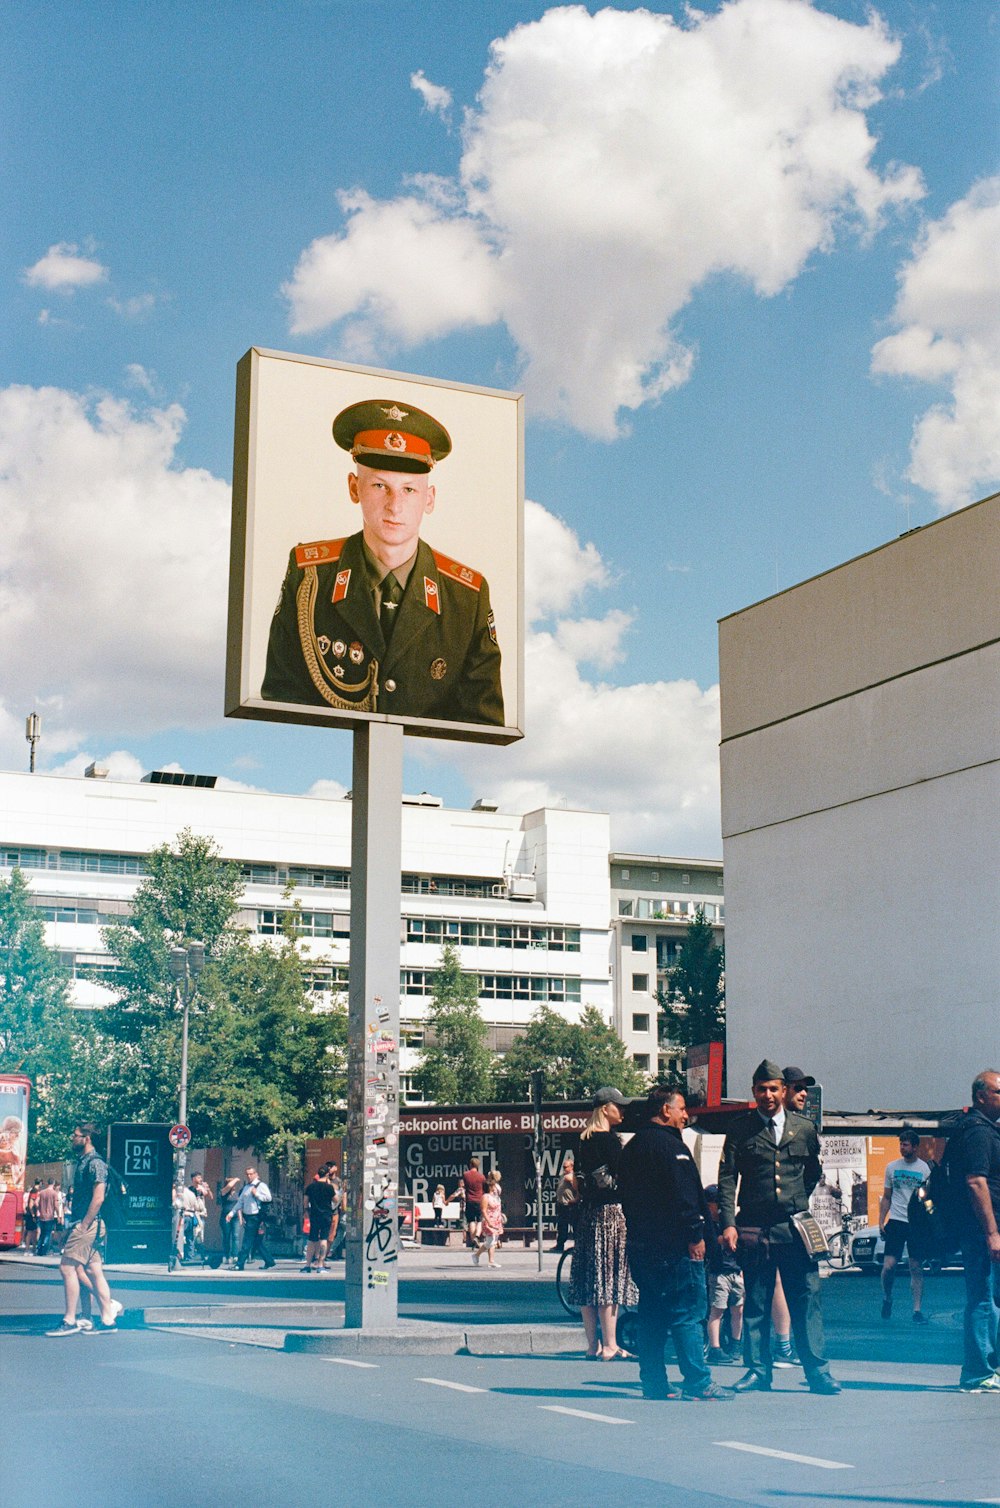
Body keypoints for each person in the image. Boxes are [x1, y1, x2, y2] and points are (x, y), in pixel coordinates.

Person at [262, 398, 504, 726]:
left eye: (409, 490)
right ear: (354, 488)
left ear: (429, 499)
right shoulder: (310, 577)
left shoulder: (467, 597)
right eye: (380, 486)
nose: (395, 506)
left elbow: (482, 730)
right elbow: (281, 705)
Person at [718, 1059, 841, 1395]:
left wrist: (794, 1199)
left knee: (807, 1298)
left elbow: (812, 1171)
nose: (768, 1095)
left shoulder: (803, 1128)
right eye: (761, 1089)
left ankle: (817, 1372)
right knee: (756, 1301)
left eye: (773, 1089)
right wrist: (728, 1223)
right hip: (755, 1229)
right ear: (754, 1092)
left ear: (783, 1091)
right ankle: (758, 1371)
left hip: (794, 1227)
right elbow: (727, 1179)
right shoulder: (740, 1129)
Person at [619, 1088, 733, 1401]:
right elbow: (684, 1198)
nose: (686, 1116)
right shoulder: (672, 1148)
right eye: (682, 1109)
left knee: (652, 1315)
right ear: (666, 1110)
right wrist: (696, 1235)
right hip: (677, 1247)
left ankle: (653, 1383)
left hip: (643, 1246)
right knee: (688, 1313)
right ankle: (698, 1381)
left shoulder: (633, 1146)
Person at [568, 1087, 637, 1361]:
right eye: (618, 1106)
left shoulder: (584, 1139)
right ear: (605, 1108)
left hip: (587, 1215)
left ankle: (592, 1344)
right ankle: (611, 1344)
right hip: (610, 1213)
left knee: (588, 1278)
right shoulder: (609, 1140)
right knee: (609, 1278)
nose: (623, 1110)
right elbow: (626, 1176)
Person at [46, 1123, 123, 1336]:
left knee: (67, 1268)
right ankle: (107, 1319)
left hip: (90, 1223)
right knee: (92, 1270)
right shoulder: (84, 1162)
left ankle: (69, 1320)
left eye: (76, 1135)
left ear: (87, 1138)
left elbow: (98, 1198)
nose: (72, 1138)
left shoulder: (96, 1163)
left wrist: (83, 1225)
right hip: (86, 1223)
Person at [954, 1069, 1000, 1393]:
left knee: (991, 1299)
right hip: (980, 1230)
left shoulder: (983, 1128)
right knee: (982, 1299)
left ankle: (988, 1367)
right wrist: (992, 1233)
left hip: (984, 1229)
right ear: (982, 1096)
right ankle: (976, 1372)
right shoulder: (978, 1132)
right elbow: (976, 1182)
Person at [879, 1127, 931, 1323]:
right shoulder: (892, 1167)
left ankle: (917, 1310)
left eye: (906, 1144)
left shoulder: (924, 1169)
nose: (902, 1147)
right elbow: (887, 1197)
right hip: (897, 1221)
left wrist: (930, 1221)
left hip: (916, 1224)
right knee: (889, 1266)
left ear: (915, 1147)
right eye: (901, 1144)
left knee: (916, 1267)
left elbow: (928, 1199)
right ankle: (887, 1297)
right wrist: (881, 1220)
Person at [704, 1184, 744, 1365]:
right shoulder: (709, 1225)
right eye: (716, 1203)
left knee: (738, 1310)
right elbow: (710, 1245)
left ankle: (735, 1344)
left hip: (735, 1270)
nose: (720, 1208)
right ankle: (715, 1347)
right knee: (717, 1310)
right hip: (719, 1272)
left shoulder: (730, 1222)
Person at [229, 1167, 275, 1270]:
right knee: (256, 1241)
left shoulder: (261, 1185)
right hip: (248, 1217)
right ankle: (269, 1261)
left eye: (251, 1174)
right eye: (247, 1174)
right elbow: (240, 1202)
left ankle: (239, 1264)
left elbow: (269, 1198)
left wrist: (257, 1194)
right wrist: (231, 1213)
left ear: (256, 1174)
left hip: (256, 1217)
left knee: (247, 1240)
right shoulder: (246, 1187)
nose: (249, 1176)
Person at [302, 1163, 336, 1273]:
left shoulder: (310, 1187)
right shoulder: (329, 1187)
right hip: (326, 1215)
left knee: (312, 1239)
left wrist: (307, 1211)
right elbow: (336, 1200)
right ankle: (320, 1265)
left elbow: (305, 1203)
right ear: (327, 1174)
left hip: (314, 1215)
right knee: (324, 1239)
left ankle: (307, 1265)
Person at [452, 1157, 486, 1249]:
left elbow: (465, 1186)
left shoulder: (466, 1175)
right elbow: (484, 1188)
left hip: (469, 1200)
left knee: (471, 1221)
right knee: (479, 1220)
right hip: (479, 1200)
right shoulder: (481, 1176)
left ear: (470, 1164)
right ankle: (477, 1237)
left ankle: (472, 1240)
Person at [474, 1171, 504, 1269]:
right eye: (493, 1187)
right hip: (489, 1221)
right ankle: (484, 1258)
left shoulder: (496, 1197)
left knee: (492, 1241)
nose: (495, 1188)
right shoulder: (485, 1197)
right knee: (491, 1241)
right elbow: (483, 1210)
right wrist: (488, 1221)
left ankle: (482, 1257)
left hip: (496, 1219)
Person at [554, 1156, 579, 1253]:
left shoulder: (572, 1177)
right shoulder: (563, 1176)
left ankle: (577, 1246)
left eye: (566, 1167)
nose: (564, 1169)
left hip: (570, 1205)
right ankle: (560, 1245)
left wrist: (576, 1199)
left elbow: (577, 1189)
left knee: (574, 1226)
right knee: (562, 1226)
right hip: (562, 1204)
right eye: (563, 1167)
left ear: (571, 1167)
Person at [218, 1175, 242, 1268]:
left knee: (236, 1236)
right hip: (225, 1217)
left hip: (235, 1217)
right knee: (226, 1236)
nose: (233, 1186)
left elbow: (238, 1206)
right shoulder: (223, 1192)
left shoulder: (237, 1194)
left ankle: (235, 1255)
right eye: (232, 1184)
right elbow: (227, 1188)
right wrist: (235, 1179)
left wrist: (240, 1218)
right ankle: (226, 1255)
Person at [36, 1178, 61, 1256]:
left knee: (42, 1233)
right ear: (53, 1183)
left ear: (47, 1183)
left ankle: (39, 1249)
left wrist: (39, 1209)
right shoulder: (54, 1193)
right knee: (47, 1234)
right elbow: (56, 1206)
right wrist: (59, 1215)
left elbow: (36, 1202)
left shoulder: (42, 1192)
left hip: (42, 1216)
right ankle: (44, 1250)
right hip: (50, 1216)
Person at [24, 1180, 41, 1252]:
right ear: (40, 1183)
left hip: (31, 1214)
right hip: (31, 1215)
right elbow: (31, 1204)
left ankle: (33, 1248)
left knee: (34, 1231)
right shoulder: (34, 1191)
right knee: (31, 1232)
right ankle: (28, 1249)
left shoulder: (33, 1190)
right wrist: (33, 1215)